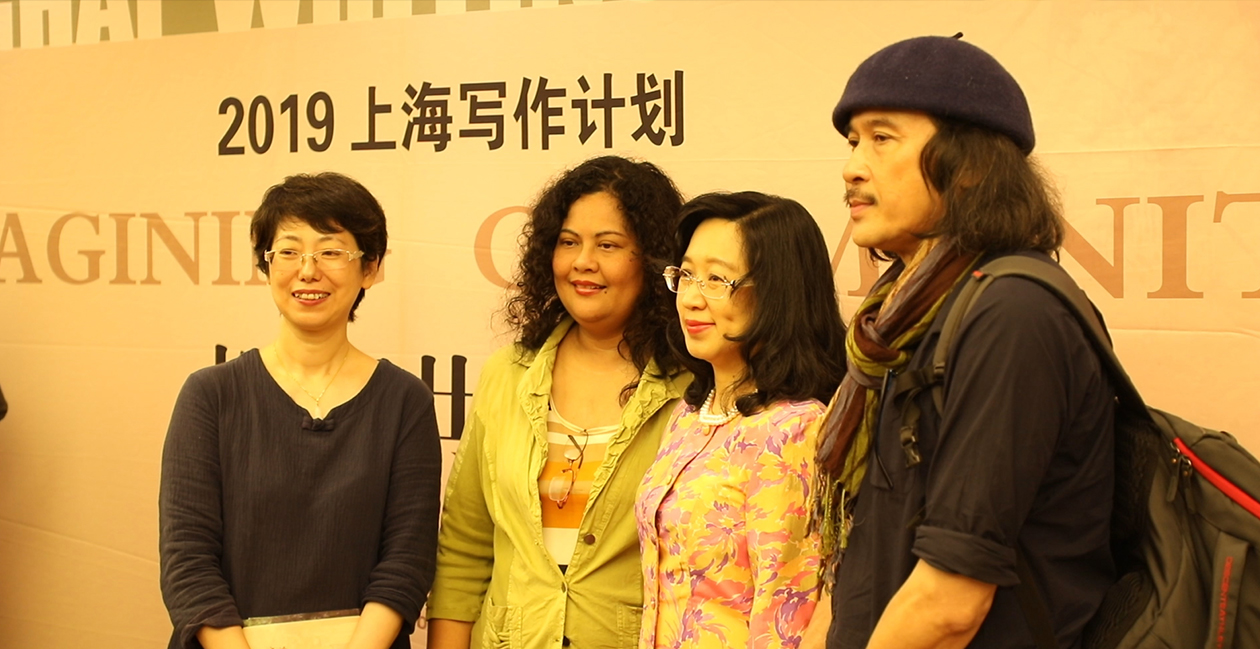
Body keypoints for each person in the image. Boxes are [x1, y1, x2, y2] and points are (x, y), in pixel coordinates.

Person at [812, 36, 1116, 649]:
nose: (852, 167)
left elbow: (951, 603)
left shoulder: (1013, 313)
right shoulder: (899, 317)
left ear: (972, 165)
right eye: (852, 141)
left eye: (882, 138)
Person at [159, 172, 441, 649]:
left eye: (331, 252)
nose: (307, 271)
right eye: (288, 252)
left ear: (370, 268)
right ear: (266, 265)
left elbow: (406, 563)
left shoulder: (404, 401)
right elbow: (188, 563)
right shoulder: (211, 395)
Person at [426, 156, 690, 649]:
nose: (582, 262)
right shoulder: (507, 373)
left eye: (608, 245)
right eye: (568, 242)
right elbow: (465, 546)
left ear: (654, 260)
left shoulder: (693, 387)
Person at [636, 192, 847, 649]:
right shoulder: (689, 416)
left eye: (716, 279)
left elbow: (786, 615)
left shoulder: (793, 430)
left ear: (777, 292)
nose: (691, 299)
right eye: (685, 275)